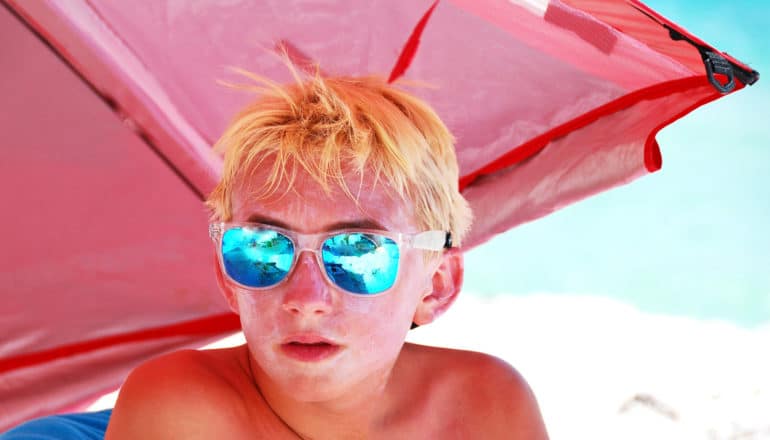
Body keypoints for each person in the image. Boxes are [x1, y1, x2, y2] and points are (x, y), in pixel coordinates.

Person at [104, 69, 549, 439]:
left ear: (435, 286)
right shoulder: (178, 409)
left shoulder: (485, 409)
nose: (306, 296)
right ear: (227, 277)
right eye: (263, 248)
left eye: (358, 254)